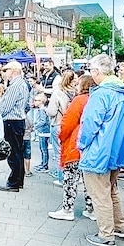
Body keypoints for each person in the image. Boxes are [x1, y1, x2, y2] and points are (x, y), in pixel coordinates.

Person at [77, 54, 124, 246]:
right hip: (117, 150)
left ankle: (106, 235)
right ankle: (120, 226)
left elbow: (90, 124)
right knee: (111, 189)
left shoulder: (102, 93)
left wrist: (81, 144)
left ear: (96, 71)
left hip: (98, 150)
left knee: (99, 193)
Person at [48, 74, 96, 221]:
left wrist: (62, 136)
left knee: (70, 178)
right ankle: (91, 209)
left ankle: (67, 209)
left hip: (76, 144)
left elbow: (68, 122)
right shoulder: (95, 99)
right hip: (91, 146)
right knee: (89, 181)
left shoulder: (79, 100)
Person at [0, 60, 32, 192]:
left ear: (13, 71)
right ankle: (18, 180)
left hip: (12, 121)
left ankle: (14, 182)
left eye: (6, 70)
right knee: (18, 151)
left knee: (13, 153)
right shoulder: (22, 83)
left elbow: (6, 106)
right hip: (18, 120)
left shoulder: (16, 85)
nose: (5, 73)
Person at [45, 70, 75, 183]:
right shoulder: (75, 92)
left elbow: (51, 111)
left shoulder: (58, 92)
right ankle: (71, 176)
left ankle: (61, 177)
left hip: (58, 123)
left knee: (59, 152)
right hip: (71, 125)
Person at [30, 93, 51, 172]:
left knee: (43, 149)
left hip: (43, 131)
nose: (34, 102)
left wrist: (35, 127)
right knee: (43, 149)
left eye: (36, 100)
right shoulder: (43, 109)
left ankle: (44, 165)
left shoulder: (42, 110)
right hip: (43, 131)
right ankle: (43, 163)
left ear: (41, 101)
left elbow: (43, 121)